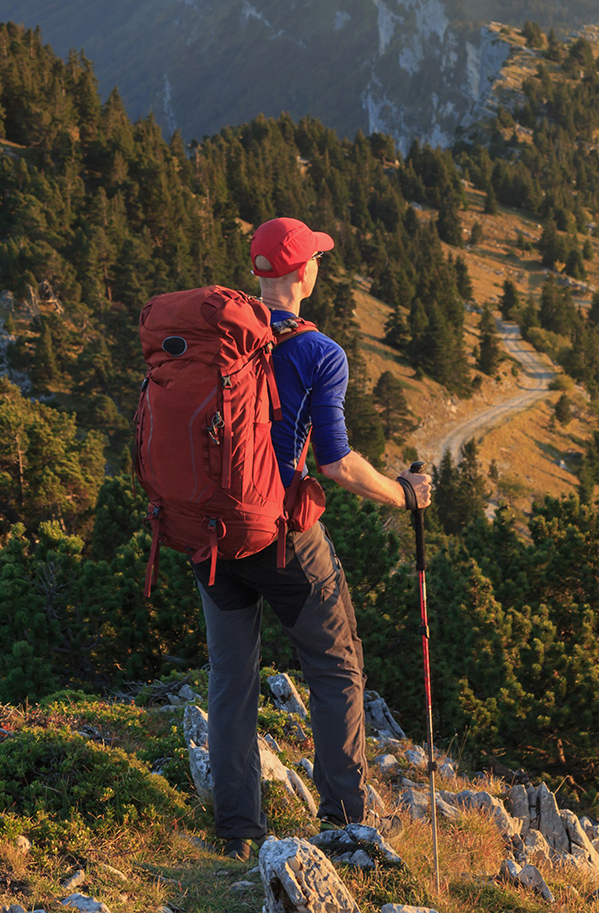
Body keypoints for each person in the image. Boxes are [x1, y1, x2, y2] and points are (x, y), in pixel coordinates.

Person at [201, 215, 431, 861]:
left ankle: (237, 835)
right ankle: (343, 826)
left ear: (259, 273)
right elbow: (335, 464)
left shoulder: (219, 336)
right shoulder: (319, 352)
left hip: (212, 535)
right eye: (316, 260)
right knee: (337, 667)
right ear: (303, 273)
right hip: (281, 537)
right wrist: (402, 491)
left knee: (230, 678)